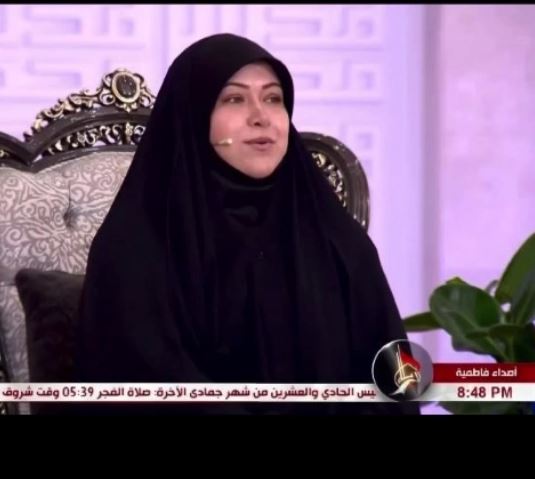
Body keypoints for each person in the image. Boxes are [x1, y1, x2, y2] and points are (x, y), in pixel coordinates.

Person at [74, 33, 420, 415]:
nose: (261, 116)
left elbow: (397, 380)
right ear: (194, 115)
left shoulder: (336, 239)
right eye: (234, 99)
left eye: (273, 98)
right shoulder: (134, 248)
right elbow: (146, 388)